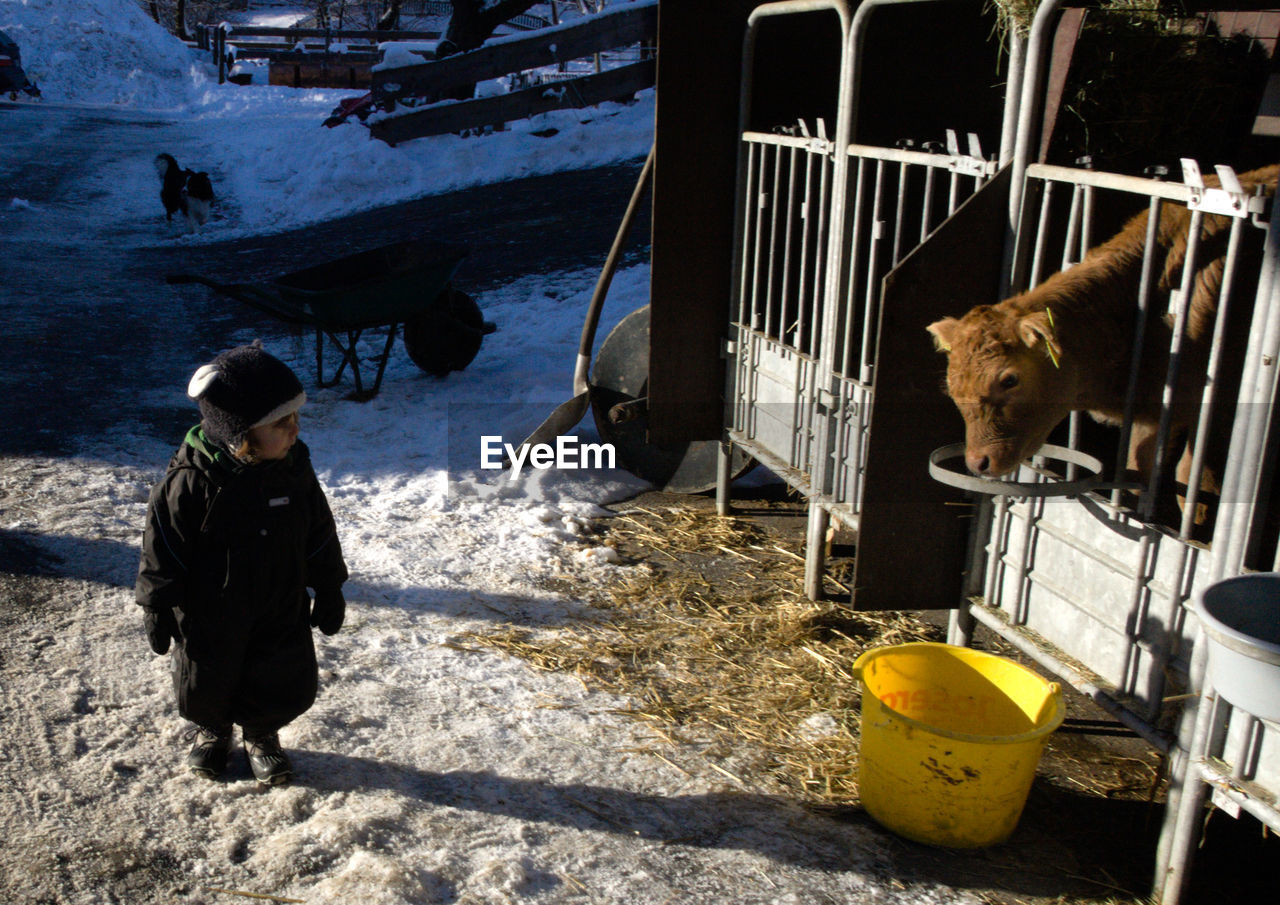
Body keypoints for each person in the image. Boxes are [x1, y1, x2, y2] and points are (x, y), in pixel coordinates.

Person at [135, 343, 349, 785]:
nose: (295, 430)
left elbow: (318, 531)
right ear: (242, 434)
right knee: (207, 678)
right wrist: (157, 604)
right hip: (211, 610)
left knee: (276, 673)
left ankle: (261, 733)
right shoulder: (190, 482)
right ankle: (213, 731)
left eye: (295, 418)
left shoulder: (293, 469)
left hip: (279, 601)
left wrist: (329, 586)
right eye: (281, 422)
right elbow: (164, 547)